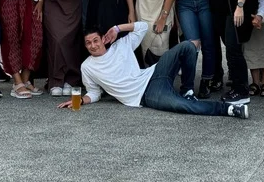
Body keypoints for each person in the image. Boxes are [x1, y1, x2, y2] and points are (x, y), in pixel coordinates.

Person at [55, 22, 249, 119]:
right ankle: (229, 109)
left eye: (95, 40)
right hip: (146, 95)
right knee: (184, 107)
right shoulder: (87, 66)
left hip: (154, 73)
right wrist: (80, 100)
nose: (93, 45)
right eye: (88, 43)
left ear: (103, 39)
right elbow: (94, 92)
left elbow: (143, 26)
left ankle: (188, 90)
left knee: (188, 46)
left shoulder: (121, 45)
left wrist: (117, 28)